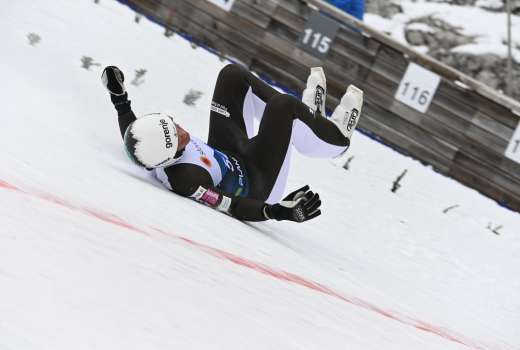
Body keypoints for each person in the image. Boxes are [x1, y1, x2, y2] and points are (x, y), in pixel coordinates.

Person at [101, 63, 363, 223]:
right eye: (176, 134)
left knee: (232, 76)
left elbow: (132, 137)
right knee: (284, 106)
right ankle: (336, 141)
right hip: (258, 182)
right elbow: (231, 206)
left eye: (171, 121)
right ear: (169, 155)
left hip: (227, 152)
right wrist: (276, 212)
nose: (180, 126)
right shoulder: (186, 179)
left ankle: (309, 120)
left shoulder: (151, 149)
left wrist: (119, 97)